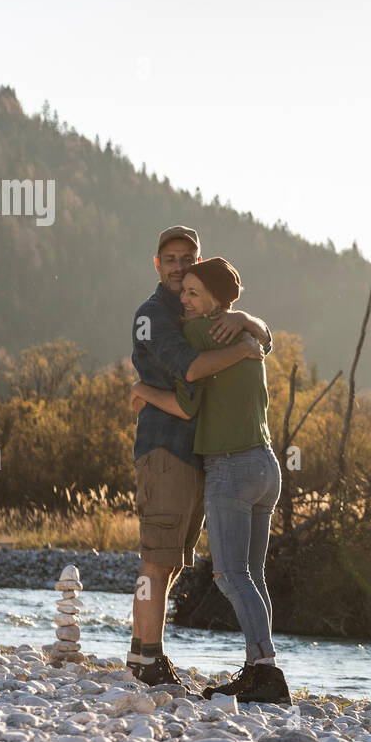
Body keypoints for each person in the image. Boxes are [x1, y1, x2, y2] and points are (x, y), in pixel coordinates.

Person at [130, 256, 291, 705]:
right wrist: (247, 321)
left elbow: (184, 399)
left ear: (217, 301)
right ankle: (259, 666)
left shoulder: (201, 334)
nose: (184, 298)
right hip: (266, 466)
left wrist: (143, 390)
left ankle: (265, 671)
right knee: (253, 576)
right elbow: (264, 335)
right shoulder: (241, 330)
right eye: (184, 291)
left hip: (231, 468)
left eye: (194, 292)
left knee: (227, 574)